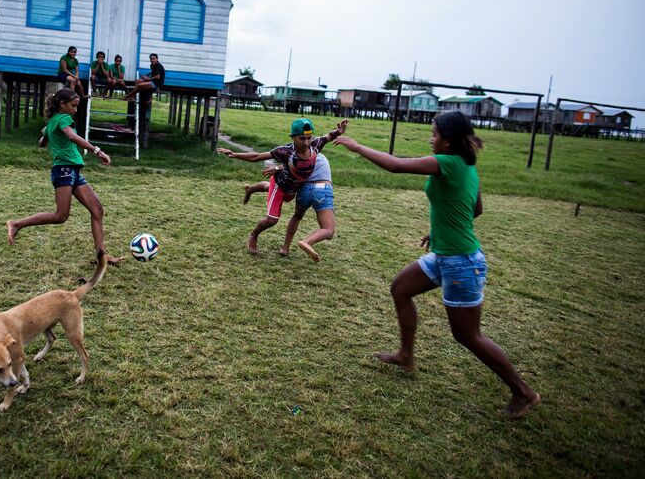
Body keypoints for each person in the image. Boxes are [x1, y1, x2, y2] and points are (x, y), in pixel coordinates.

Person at [333, 111, 540, 418]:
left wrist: (358, 147)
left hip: (461, 262)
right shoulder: (467, 167)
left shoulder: (448, 162)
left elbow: (395, 165)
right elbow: (475, 208)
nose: (430, 138)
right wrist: (439, 230)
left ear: (448, 138)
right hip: (445, 255)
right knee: (401, 288)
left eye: (434, 133)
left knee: (467, 335)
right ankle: (406, 356)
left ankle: (523, 392)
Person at [6, 88, 123, 266]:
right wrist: (97, 151)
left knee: (97, 210)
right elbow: (71, 135)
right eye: (73, 106)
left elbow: (41, 143)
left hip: (73, 171)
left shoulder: (53, 121)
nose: (75, 110)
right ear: (62, 104)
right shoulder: (63, 119)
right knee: (60, 216)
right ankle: (16, 224)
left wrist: (48, 131)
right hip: (63, 170)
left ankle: (102, 256)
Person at [218, 117, 347, 254]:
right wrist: (235, 154)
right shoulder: (284, 151)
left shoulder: (315, 145)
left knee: (270, 189)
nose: (306, 142)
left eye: (309, 138)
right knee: (272, 219)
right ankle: (253, 235)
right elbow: (257, 156)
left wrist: (338, 132)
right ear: (293, 137)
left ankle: (251, 189)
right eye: (302, 139)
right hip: (280, 185)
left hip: (293, 189)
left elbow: (329, 136)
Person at [246, 153, 335, 261]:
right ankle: (307, 242)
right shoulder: (316, 156)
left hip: (304, 191)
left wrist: (277, 167)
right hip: (321, 189)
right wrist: (277, 168)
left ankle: (285, 248)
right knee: (328, 230)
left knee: (297, 216)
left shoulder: (302, 154)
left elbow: (294, 165)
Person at [123, 53, 164, 144]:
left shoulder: (158, 65)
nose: (152, 60)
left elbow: (157, 77)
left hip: (156, 84)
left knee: (141, 85)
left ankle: (129, 95)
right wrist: (145, 76)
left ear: (157, 59)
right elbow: (152, 73)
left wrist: (148, 79)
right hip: (152, 81)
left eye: (153, 58)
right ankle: (132, 96)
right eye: (151, 59)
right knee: (138, 81)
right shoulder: (152, 65)